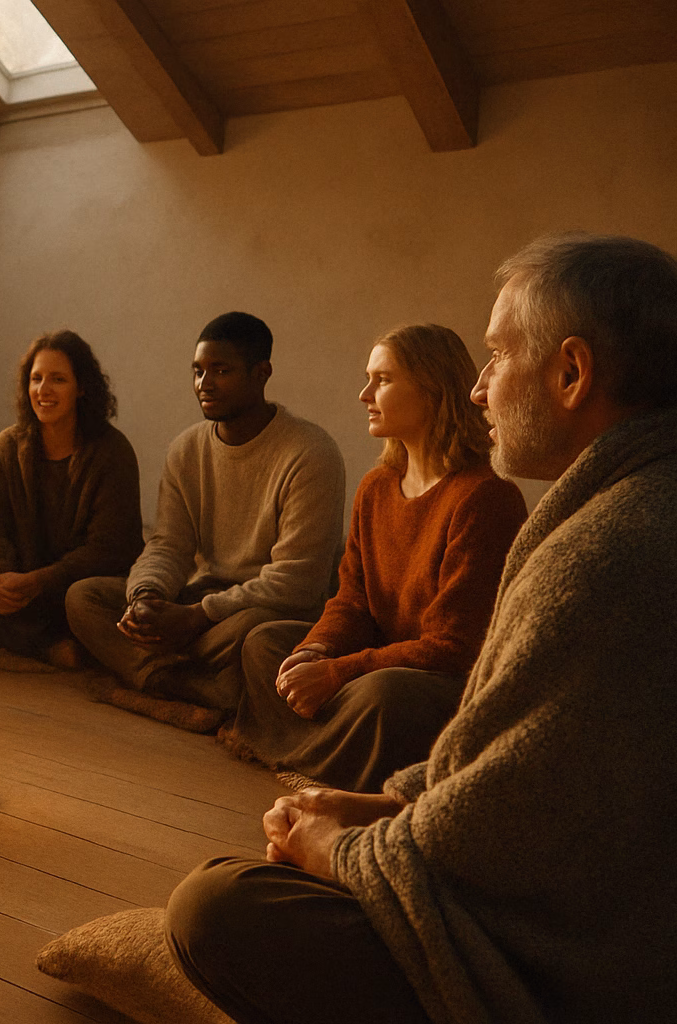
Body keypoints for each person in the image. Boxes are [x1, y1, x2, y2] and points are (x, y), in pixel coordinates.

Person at [165, 234, 677, 1023]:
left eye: (499, 355)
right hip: (413, 741)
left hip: (581, 967)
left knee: (214, 904)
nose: (481, 389)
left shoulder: (607, 548)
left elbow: (507, 821)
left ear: (572, 373)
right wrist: (380, 794)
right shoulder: (612, 505)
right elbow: (511, 766)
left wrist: (344, 846)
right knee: (273, 642)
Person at [225, 324, 526, 791]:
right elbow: (352, 601)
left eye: (382, 380)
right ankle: (327, 755)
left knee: (384, 695)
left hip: (431, 682)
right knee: (265, 643)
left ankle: (314, 754)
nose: (365, 394)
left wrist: (338, 672)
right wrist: (316, 650)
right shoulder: (377, 486)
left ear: (431, 389)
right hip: (373, 662)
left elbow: (455, 648)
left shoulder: (485, 497)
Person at [65, 312, 345, 731]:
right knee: (84, 598)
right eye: (197, 371)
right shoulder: (187, 448)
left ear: (261, 373)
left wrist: (197, 617)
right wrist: (146, 596)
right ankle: (186, 684)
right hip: (197, 603)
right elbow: (168, 544)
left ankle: (149, 672)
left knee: (256, 635)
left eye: (221, 370)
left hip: (258, 613)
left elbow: (297, 583)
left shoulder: (309, 453)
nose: (204, 384)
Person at [0, 330, 142, 663]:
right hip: (19, 578)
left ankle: (36, 638)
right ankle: (43, 648)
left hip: (72, 585)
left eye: (58, 379)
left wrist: (39, 582)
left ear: (81, 387)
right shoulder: (8, 445)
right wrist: (4, 577)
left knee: (87, 602)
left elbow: (110, 549)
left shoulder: (112, 452)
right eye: (36, 378)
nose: (43, 390)